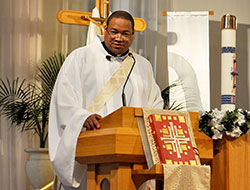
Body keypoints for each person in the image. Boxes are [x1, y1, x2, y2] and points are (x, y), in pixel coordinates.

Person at [49, 10, 163, 190]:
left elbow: (155, 104)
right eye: (114, 32)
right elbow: (63, 100)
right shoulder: (80, 57)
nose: (119, 38)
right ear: (105, 29)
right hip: (94, 148)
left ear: (133, 35)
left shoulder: (142, 65)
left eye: (125, 33)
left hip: (131, 152)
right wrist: (82, 117)